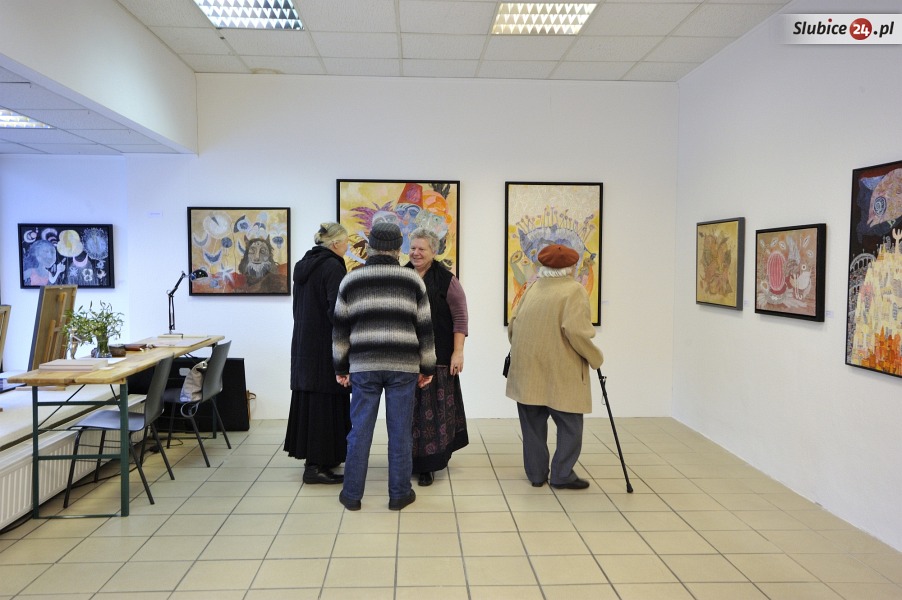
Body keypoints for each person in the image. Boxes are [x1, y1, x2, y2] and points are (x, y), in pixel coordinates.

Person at [333, 221, 436, 511]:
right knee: (400, 432)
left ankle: (352, 495)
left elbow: (339, 330)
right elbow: (425, 328)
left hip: (364, 366)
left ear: (371, 246)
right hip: (403, 366)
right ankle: (399, 494)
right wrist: (427, 367)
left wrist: (341, 367)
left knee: (359, 431)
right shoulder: (413, 280)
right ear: (398, 248)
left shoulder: (351, 280)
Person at [505, 244, 604, 490]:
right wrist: (596, 358)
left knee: (532, 427)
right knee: (571, 426)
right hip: (562, 372)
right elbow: (576, 332)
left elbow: (513, 325)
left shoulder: (533, 288)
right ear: (571, 267)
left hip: (527, 372)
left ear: (543, 266)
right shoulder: (574, 290)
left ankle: (536, 474)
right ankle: (562, 474)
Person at [284, 223, 351, 484]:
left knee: (312, 402)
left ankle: (321, 459)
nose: (347, 246)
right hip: (325, 344)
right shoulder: (332, 266)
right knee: (326, 402)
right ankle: (316, 467)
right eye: (345, 241)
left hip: (304, 344)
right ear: (335, 244)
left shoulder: (304, 264)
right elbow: (337, 311)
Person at [405, 227, 469, 486]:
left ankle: (429, 465)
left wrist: (458, 352)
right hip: (407, 358)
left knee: (433, 412)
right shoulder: (402, 275)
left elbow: (460, 318)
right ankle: (408, 459)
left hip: (439, 357)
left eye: (422, 248)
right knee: (409, 412)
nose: (416, 253)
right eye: (412, 248)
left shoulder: (447, 280)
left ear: (433, 251)